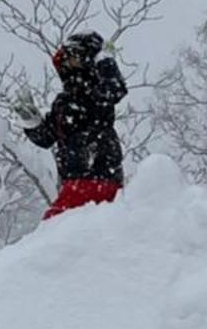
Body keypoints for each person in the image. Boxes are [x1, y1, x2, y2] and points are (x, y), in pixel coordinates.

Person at [18, 31, 129, 219]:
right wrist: (30, 119)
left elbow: (115, 89)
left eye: (74, 57)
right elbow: (47, 137)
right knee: (61, 228)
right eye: (66, 59)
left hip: (99, 175)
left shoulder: (96, 91)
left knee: (55, 228)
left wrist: (105, 61)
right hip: (73, 180)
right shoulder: (63, 101)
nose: (69, 64)